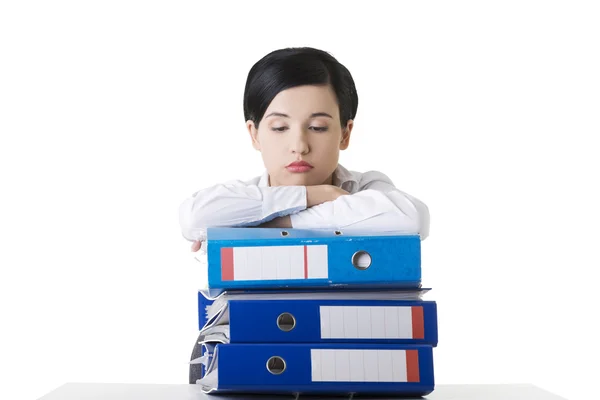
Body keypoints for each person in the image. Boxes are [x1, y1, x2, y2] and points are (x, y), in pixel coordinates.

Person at [179, 47, 429, 252]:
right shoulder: (241, 196)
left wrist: (273, 224)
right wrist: (313, 196)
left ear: (345, 133)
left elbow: (413, 218)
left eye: (318, 127)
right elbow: (194, 219)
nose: (299, 146)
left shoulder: (365, 188)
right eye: (279, 128)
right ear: (254, 135)